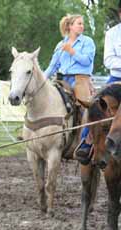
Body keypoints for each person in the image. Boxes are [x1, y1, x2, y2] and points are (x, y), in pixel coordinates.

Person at [43, 15, 96, 164]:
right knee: (45, 102)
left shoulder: (87, 42)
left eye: (82, 24)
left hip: (81, 80)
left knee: (87, 109)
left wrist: (72, 51)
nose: (82, 26)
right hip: (61, 79)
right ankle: (41, 135)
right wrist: (41, 81)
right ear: (70, 26)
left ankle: (87, 142)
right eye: (79, 23)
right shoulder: (60, 44)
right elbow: (52, 66)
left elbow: (87, 61)